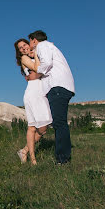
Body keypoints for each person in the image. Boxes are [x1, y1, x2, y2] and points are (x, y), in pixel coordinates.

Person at [28, 30, 75, 165]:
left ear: (34, 40)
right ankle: (63, 157)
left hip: (57, 87)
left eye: (30, 41)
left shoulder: (42, 46)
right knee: (59, 122)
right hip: (62, 87)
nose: (30, 44)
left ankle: (62, 159)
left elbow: (46, 63)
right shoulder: (49, 46)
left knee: (59, 123)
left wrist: (37, 72)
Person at [14, 38, 53, 165]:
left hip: (41, 92)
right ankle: (33, 159)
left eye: (25, 44)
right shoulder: (24, 59)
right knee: (32, 127)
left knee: (43, 128)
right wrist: (35, 54)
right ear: (19, 52)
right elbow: (38, 68)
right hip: (33, 92)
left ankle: (24, 151)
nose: (23, 47)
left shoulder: (35, 54)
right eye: (20, 47)